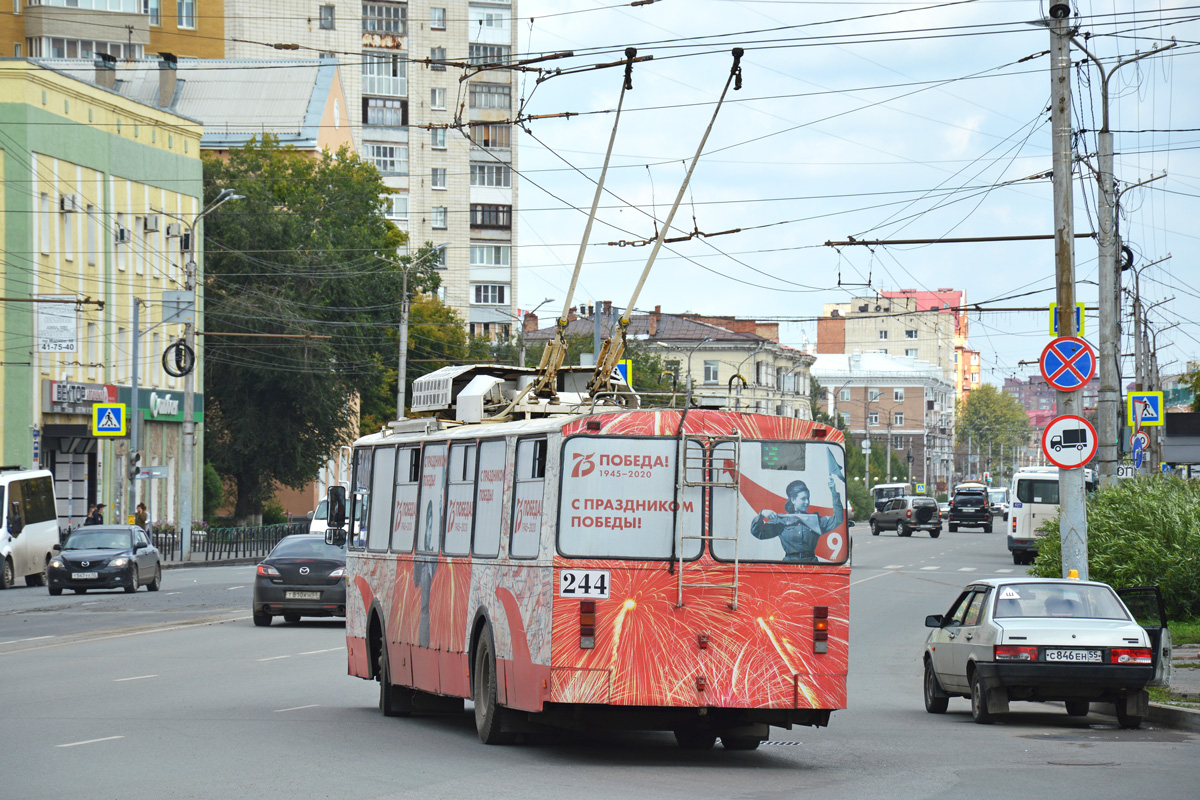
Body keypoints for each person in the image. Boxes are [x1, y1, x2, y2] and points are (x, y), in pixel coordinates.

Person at [750, 478, 843, 563]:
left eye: (808, 498)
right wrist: (762, 514)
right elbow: (758, 532)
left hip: (812, 565)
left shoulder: (815, 520)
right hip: (789, 565)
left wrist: (834, 493)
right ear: (793, 500)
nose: (807, 502)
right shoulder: (781, 520)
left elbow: (838, 519)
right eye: (803, 499)